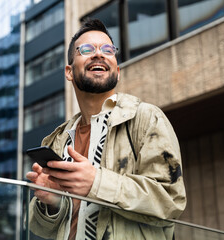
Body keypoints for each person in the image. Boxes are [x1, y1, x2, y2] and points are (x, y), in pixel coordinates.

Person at [26, 18, 186, 240]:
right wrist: (52, 203)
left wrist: (97, 183)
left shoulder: (146, 118)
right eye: (87, 49)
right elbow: (41, 229)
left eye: (108, 49)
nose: (99, 54)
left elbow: (170, 201)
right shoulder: (58, 140)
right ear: (69, 72)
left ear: (117, 71)